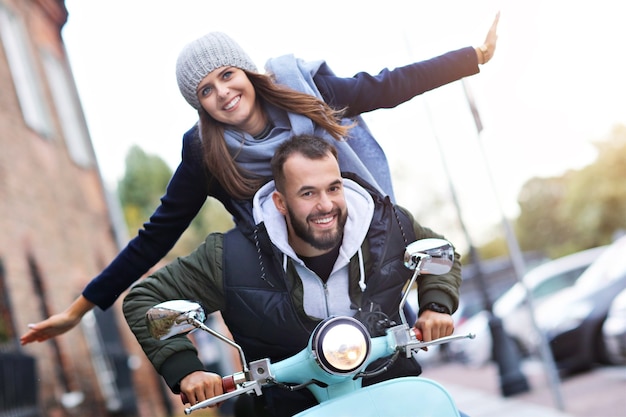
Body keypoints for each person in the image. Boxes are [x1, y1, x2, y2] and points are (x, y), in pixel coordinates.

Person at [21, 13, 498, 345]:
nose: (223, 93)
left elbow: (388, 86)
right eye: (205, 91)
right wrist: (79, 309)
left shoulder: (307, 91)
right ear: (198, 104)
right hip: (291, 285)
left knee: (395, 351)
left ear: (246, 71)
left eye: (227, 75)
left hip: (361, 253)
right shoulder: (204, 153)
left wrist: (471, 57)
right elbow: (155, 236)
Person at [122, 134, 462, 417]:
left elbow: (440, 251)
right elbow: (143, 299)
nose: (326, 204)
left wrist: (437, 306)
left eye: (333, 188)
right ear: (281, 203)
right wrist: (187, 369)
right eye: (308, 193)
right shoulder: (232, 256)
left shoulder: (387, 226)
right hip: (285, 407)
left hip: (392, 395)